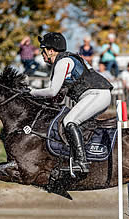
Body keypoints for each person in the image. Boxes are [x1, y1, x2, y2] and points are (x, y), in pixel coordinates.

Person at [28, 32, 113, 174]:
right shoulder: (66, 60)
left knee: (69, 121)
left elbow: (52, 91)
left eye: (43, 50)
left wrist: (31, 92)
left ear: (51, 51)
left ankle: (81, 163)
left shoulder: (62, 62)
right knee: (73, 121)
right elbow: (58, 97)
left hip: (96, 94)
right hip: (97, 94)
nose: (42, 54)